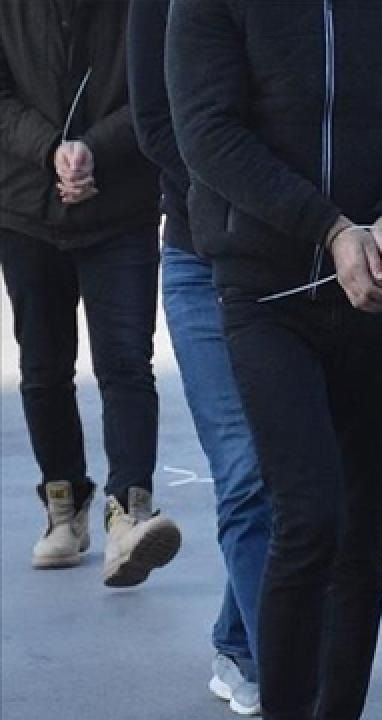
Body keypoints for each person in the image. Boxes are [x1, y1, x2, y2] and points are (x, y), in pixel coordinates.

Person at [166, 2, 382, 717]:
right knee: (308, 520)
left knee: (364, 538)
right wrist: (332, 230)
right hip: (266, 288)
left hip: (381, 280)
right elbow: (205, 132)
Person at [0, 0, 182, 587]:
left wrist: (92, 149)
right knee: (42, 367)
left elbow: (161, 87)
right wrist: (50, 149)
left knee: (125, 362)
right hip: (25, 207)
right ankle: (63, 504)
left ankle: (130, 512)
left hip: (121, 205)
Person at [127, 0, 269, 713]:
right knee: (246, 470)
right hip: (201, 255)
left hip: (298, 256)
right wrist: (256, 189)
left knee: (294, 475)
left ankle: (238, 643)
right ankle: (282, 673)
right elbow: (157, 125)